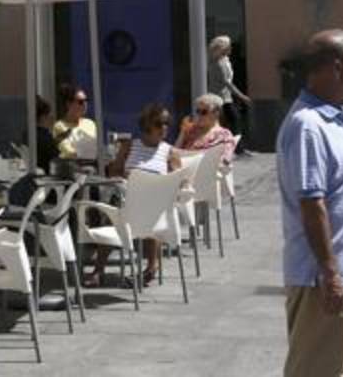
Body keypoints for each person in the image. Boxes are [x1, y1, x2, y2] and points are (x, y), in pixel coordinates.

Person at [277, 29, 343, 377]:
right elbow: (311, 203)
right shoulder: (309, 124)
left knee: (341, 368)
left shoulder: (336, 116)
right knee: (317, 370)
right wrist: (331, 272)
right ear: (336, 66)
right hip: (324, 277)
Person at [83, 103, 181, 288]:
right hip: (127, 200)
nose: (165, 128)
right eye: (160, 123)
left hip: (154, 206)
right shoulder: (129, 146)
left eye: (167, 123)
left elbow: (179, 180)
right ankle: (99, 270)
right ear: (147, 125)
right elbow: (114, 172)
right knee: (112, 215)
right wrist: (124, 178)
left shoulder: (170, 152)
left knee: (150, 212)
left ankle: (152, 266)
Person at [208, 35, 251, 155]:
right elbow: (228, 84)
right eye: (229, 45)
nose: (231, 47)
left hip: (225, 97)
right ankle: (237, 149)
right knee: (234, 121)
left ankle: (233, 148)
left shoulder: (224, 60)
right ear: (223, 48)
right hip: (220, 98)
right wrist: (243, 97)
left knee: (229, 122)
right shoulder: (218, 63)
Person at [174, 93, 238, 165]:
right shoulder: (191, 130)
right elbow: (175, 153)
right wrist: (182, 132)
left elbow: (225, 161)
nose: (199, 115)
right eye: (198, 111)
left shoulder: (224, 135)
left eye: (204, 112)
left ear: (216, 113)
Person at [53, 83, 98, 159]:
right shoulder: (59, 126)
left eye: (86, 100)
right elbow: (67, 152)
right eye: (80, 102)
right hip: (73, 167)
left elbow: (97, 149)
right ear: (69, 104)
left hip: (93, 167)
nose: (84, 104)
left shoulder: (90, 123)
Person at [25, 95, 56, 170]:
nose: (52, 117)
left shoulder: (27, 134)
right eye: (49, 114)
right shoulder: (45, 138)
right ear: (43, 117)